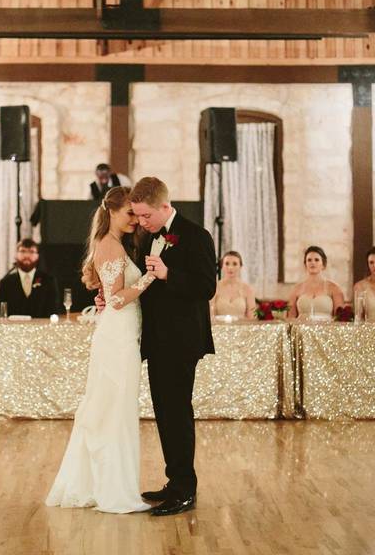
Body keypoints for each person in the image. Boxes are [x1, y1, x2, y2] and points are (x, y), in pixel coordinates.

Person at [46, 186, 155, 514]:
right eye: (129, 214)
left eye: (136, 214)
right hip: (117, 337)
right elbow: (119, 298)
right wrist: (150, 277)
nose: (135, 220)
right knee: (113, 410)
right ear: (112, 212)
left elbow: (112, 296)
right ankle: (112, 490)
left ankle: (106, 483)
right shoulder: (108, 245)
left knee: (116, 408)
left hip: (122, 333)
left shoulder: (115, 244)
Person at [132, 176, 216, 516]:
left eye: (145, 216)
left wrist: (169, 275)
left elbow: (207, 287)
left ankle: (185, 489)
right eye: (137, 216)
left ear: (164, 206)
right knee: (164, 413)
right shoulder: (148, 237)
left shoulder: (197, 236)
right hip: (157, 341)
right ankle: (174, 480)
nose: (141, 222)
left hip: (181, 342)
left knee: (178, 412)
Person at [0, 238, 61, 318]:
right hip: (13, 328)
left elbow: (54, 312)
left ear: (37, 256)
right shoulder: (6, 283)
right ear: (16, 255)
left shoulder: (48, 281)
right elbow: (1, 315)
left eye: (31, 252)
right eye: (22, 251)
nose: (27, 255)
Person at [287, 246, 345, 320]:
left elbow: (340, 318)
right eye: (309, 260)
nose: (313, 263)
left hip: (327, 330)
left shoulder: (334, 288)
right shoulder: (296, 289)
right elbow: (290, 317)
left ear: (323, 264)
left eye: (316, 260)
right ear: (305, 265)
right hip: (301, 329)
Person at [209, 251, 256, 319]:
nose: (230, 267)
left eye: (235, 264)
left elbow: (252, 317)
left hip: (242, 328)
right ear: (222, 266)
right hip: (219, 328)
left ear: (240, 266)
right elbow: (211, 315)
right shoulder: (214, 287)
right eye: (227, 264)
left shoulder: (248, 289)